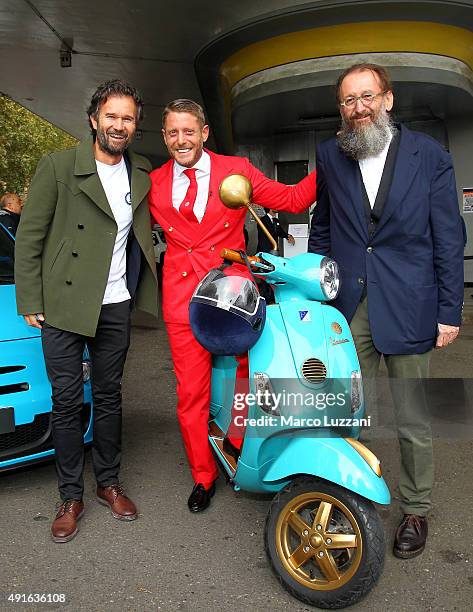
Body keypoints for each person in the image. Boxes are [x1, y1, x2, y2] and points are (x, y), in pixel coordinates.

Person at [308, 63, 464, 559]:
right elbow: (323, 228)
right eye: (349, 100)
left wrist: (449, 310)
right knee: (342, 406)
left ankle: (415, 509)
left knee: (413, 416)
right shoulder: (330, 155)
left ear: (388, 100)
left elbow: (448, 237)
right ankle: (341, 499)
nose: (359, 108)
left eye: (367, 96)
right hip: (349, 306)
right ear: (341, 108)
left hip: (411, 305)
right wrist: (318, 287)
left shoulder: (430, 156)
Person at [148, 99, 315, 512]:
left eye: (189, 131)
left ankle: (240, 448)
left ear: (204, 133)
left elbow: (292, 200)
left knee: (249, 376)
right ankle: (203, 476)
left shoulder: (235, 170)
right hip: (181, 299)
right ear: (165, 137)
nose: (181, 140)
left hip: (231, 294)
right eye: (173, 132)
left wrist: (330, 164)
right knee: (190, 393)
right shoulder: (151, 183)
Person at [14, 80, 158, 543]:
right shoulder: (57, 167)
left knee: (111, 396)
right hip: (64, 303)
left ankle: (108, 483)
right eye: (112, 116)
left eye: (128, 118)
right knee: (67, 402)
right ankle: (70, 494)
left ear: (136, 126)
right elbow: (31, 237)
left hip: (115, 303)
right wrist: (29, 300)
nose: (120, 125)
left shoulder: (141, 173)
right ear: (95, 119)